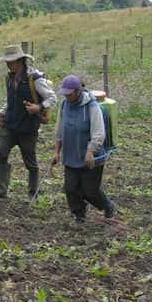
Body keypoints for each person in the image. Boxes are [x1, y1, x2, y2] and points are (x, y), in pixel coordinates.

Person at [0, 44, 56, 199]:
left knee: (30, 161)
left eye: (11, 61)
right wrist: (0, 113)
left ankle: (33, 192)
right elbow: (11, 100)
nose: (8, 64)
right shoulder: (10, 78)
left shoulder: (34, 79)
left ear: (20, 61)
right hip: (10, 125)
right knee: (0, 152)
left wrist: (38, 107)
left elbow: (52, 97)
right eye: (7, 61)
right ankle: (1, 190)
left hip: (28, 128)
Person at [51, 75, 117, 224]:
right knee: (70, 188)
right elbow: (59, 129)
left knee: (90, 191)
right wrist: (56, 152)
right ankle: (79, 215)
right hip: (71, 154)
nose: (67, 96)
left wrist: (90, 151)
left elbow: (99, 133)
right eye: (65, 94)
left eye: (69, 93)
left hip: (90, 157)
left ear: (78, 91)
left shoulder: (91, 107)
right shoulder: (64, 105)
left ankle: (108, 205)